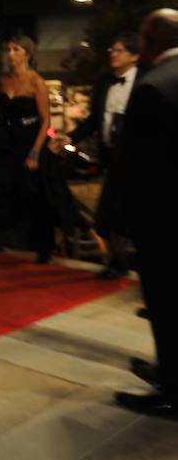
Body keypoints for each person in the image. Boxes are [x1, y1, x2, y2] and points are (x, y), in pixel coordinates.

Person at [113, 8, 178, 420]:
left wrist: (117, 223)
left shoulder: (152, 86)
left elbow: (136, 167)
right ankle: (166, 372)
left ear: (150, 41)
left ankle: (172, 390)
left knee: (166, 305)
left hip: (164, 222)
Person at [0, 36, 83, 265]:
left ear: (28, 54)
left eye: (16, 49)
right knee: (0, 190)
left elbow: (46, 121)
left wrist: (35, 152)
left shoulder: (37, 81)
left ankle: (43, 247)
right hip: (8, 141)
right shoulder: (3, 81)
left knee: (33, 194)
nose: (11, 54)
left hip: (31, 140)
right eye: (9, 49)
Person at [63, 35, 142, 278]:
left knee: (141, 214)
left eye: (118, 50)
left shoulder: (145, 79)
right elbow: (94, 120)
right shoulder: (104, 82)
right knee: (109, 214)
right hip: (112, 158)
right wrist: (70, 137)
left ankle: (147, 268)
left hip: (139, 160)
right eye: (112, 49)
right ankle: (117, 263)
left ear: (134, 56)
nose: (113, 54)